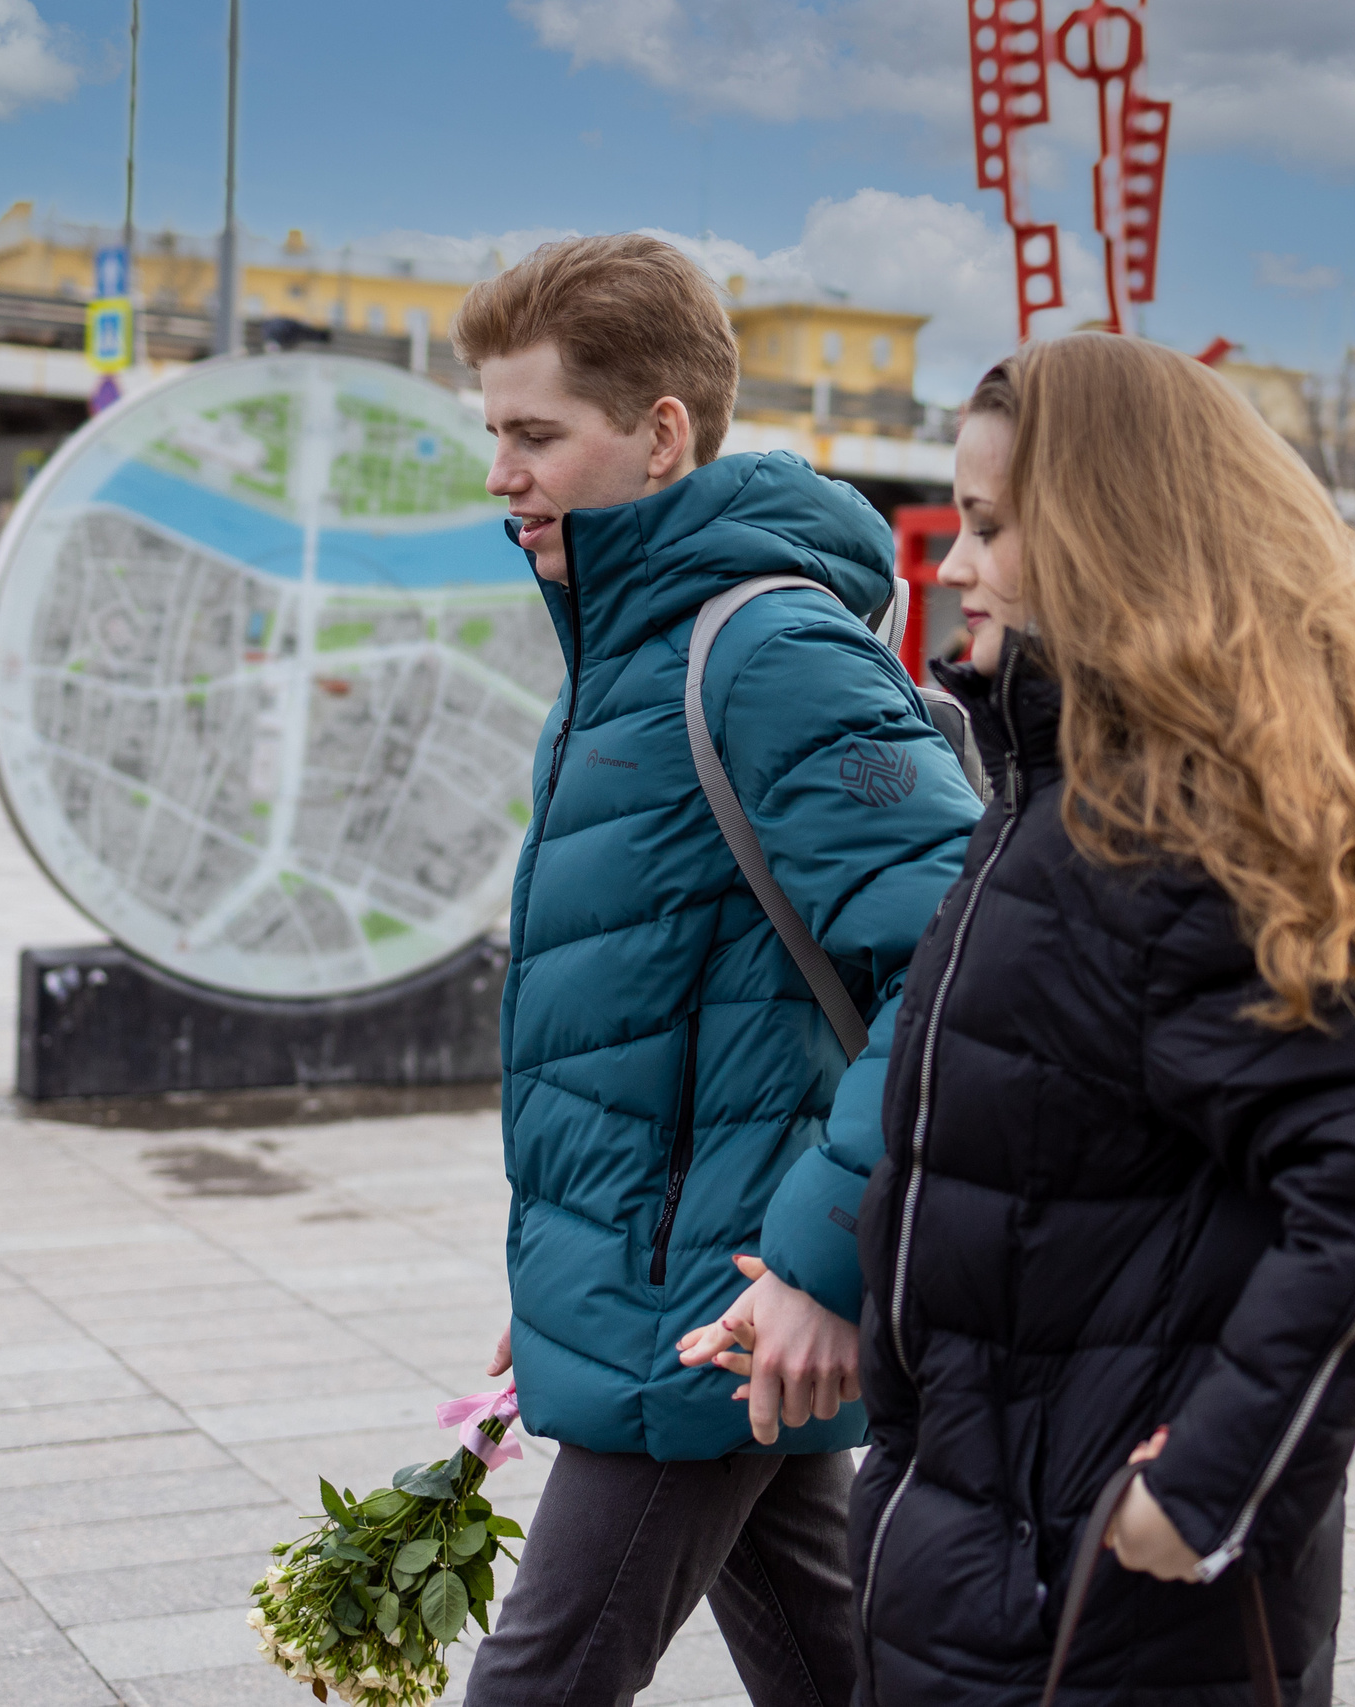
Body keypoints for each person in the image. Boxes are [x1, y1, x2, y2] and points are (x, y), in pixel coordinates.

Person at [771, 335, 1355, 1706]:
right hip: (989, 1546)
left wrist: (1206, 1478)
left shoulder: (1169, 843)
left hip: (1094, 1614)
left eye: (993, 525)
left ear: (1116, 530)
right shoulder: (1049, 800)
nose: (959, 561)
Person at [455, 234, 982, 1707]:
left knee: (537, 1675)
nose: (502, 472)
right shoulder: (613, 664)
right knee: (836, 1660)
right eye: (494, 432)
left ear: (662, 431)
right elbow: (639, 1024)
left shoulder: (767, 652)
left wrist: (820, 1259)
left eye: (536, 434)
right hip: (667, 1282)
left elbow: (954, 975)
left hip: (725, 1295)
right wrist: (558, 1266)